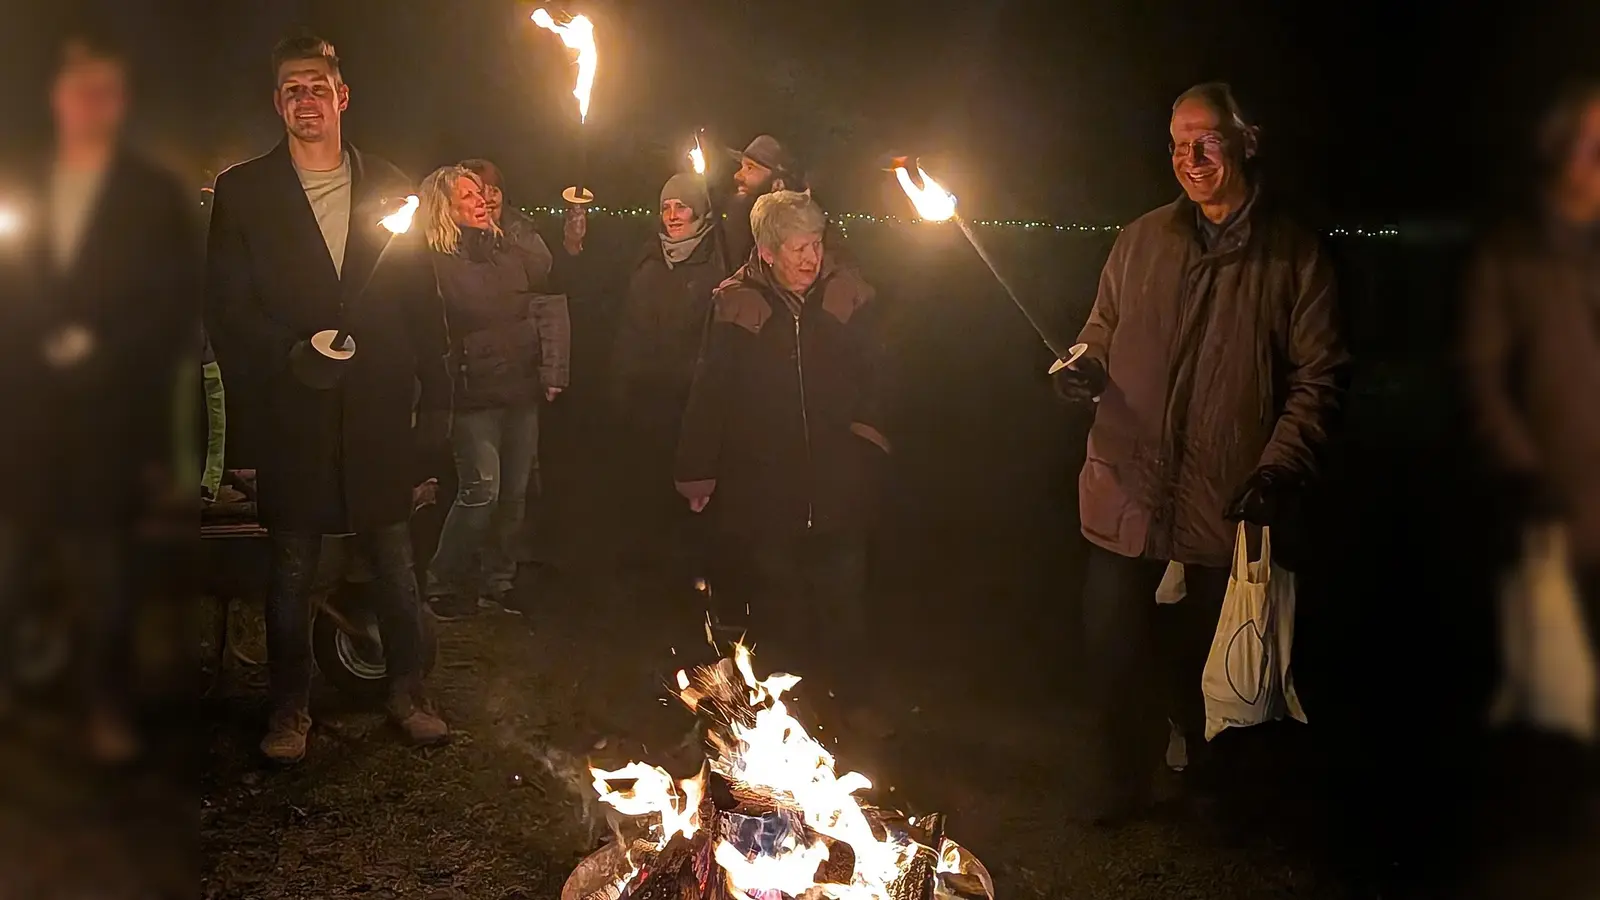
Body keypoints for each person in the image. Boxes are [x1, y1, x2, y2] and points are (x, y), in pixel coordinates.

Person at [1053, 82, 1347, 822]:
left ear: (1248, 141)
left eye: (1208, 139)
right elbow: (1101, 326)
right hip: (1126, 488)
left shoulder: (1293, 254)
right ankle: (1117, 783)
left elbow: (1319, 378)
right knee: (1113, 653)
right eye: (1179, 142)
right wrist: (1084, 364)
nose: (1192, 157)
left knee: (1207, 663)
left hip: (1226, 495)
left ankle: (1216, 786)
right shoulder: (1141, 239)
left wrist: (1279, 465)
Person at [203, 31, 453, 764]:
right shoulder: (245, 191)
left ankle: (410, 691)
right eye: (290, 90)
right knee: (292, 567)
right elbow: (227, 307)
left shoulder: (390, 185)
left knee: (394, 559)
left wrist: (434, 404)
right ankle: (289, 709)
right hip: (293, 412)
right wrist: (290, 354)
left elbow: (419, 303)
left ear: (342, 97)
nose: (304, 99)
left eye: (317, 86)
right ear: (276, 104)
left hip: (376, 412)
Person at [0, 28, 199, 762]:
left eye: (106, 90)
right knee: (9, 568)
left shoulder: (150, 196)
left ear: (121, 101)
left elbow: (171, 303)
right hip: (20, 421)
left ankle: (105, 708)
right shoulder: (18, 178)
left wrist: (102, 346)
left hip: (108, 425)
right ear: (57, 96)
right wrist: (37, 340)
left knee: (106, 579)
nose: (91, 103)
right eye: (79, 88)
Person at [674, 190, 887, 704]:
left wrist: (869, 439)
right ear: (767, 251)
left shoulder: (847, 294)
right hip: (766, 484)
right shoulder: (735, 302)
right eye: (798, 248)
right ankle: (791, 709)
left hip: (838, 480)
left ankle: (853, 702)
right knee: (779, 599)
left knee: (844, 598)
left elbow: (880, 374)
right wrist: (697, 470)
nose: (811, 258)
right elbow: (711, 390)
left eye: (817, 244)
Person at [1462, 81, 1600, 846]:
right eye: (1592, 142)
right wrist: (1525, 472)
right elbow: (1483, 379)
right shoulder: (1512, 256)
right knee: (1553, 680)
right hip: (1555, 508)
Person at [418, 164, 570, 619]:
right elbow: (469, 309)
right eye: (468, 196)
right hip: (473, 391)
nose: (481, 201)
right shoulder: (434, 262)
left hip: (518, 387)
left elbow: (542, 275)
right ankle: (441, 580)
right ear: (445, 208)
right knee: (481, 489)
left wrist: (515, 229)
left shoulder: (506, 248)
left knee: (515, 494)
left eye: (482, 193)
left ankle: (498, 581)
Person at [609, 173, 733, 570]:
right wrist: (622, 383)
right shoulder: (648, 262)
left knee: (691, 496)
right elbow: (630, 330)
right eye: (665, 207)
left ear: (699, 211)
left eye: (681, 206)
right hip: (647, 398)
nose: (673, 216)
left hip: (690, 401)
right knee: (647, 490)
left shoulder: (716, 264)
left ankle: (692, 573)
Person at [722, 135, 806, 267]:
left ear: (778, 183)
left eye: (750, 168)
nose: (737, 175)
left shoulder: (804, 232)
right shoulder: (733, 226)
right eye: (742, 166)